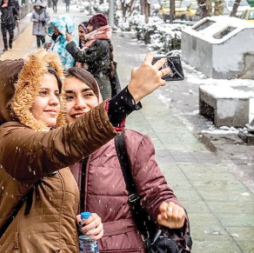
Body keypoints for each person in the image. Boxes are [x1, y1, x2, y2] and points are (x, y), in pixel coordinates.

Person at [0, 49, 172, 252]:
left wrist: (86, 224)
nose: (55, 101)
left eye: (56, 93)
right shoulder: (10, 139)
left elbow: (45, 218)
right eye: (43, 93)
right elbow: (59, 144)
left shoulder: (45, 140)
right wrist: (129, 96)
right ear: (18, 98)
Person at [65, 67, 190, 252]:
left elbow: (156, 192)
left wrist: (170, 211)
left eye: (88, 94)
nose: (80, 104)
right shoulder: (47, 150)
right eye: (69, 97)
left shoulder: (129, 143)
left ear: (99, 100)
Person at [66, 13, 115, 98]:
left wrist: (71, 43)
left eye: (90, 25)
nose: (88, 28)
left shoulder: (101, 43)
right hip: (97, 81)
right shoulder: (96, 41)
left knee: (100, 109)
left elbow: (83, 57)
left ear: (97, 27)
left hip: (100, 84)